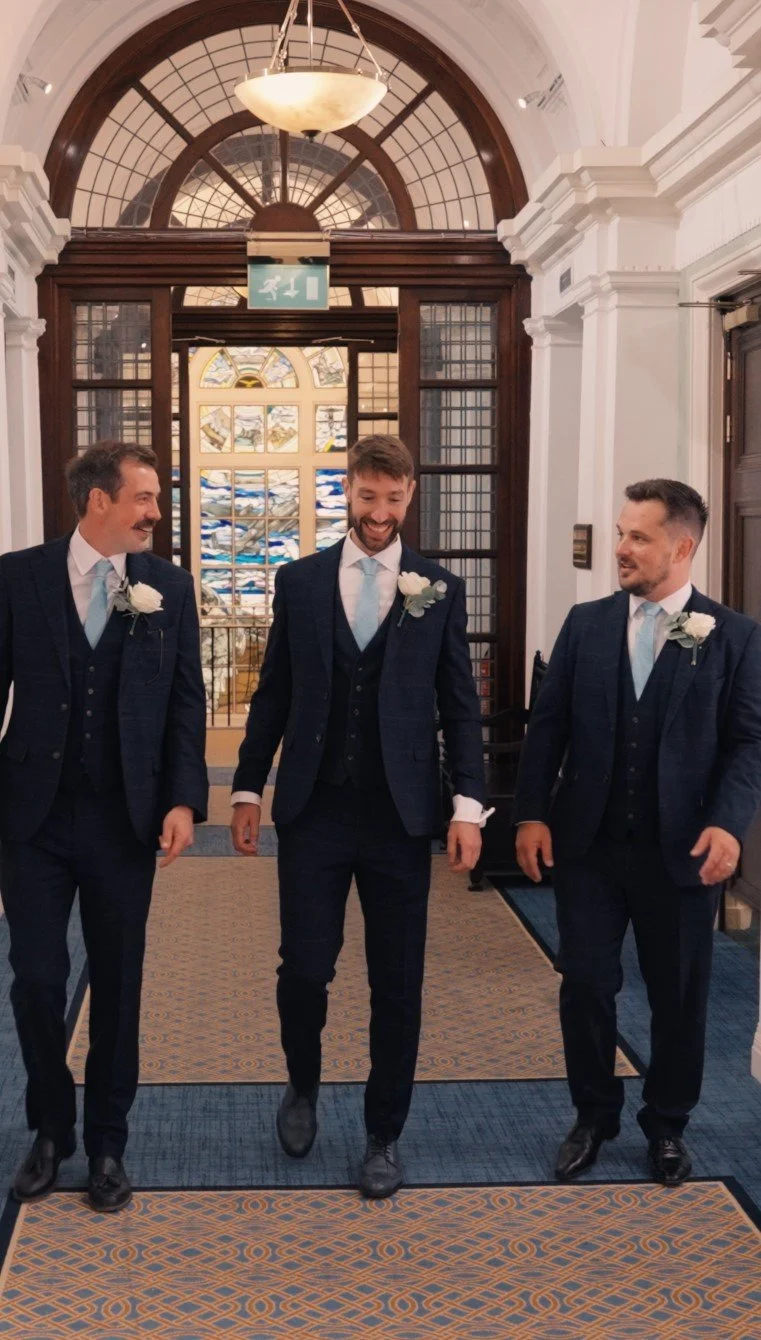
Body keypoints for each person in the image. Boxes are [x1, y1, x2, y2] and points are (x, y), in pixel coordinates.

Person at [231, 434, 488, 1198]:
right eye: (367, 497)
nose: (379, 514)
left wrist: (468, 805)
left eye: (393, 499)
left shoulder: (437, 587)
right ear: (348, 491)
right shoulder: (301, 582)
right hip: (313, 810)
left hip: (400, 819)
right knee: (304, 970)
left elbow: (460, 709)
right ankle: (302, 1084)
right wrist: (247, 789)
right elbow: (274, 691)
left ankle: (384, 1134)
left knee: (397, 983)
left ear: (410, 496)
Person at [514, 479, 761, 1186]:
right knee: (585, 984)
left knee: (677, 993)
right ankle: (593, 1115)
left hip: (680, 851)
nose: (620, 548)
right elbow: (548, 727)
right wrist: (531, 813)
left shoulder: (734, 638)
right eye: (621, 533)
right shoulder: (585, 624)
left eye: (638, 536)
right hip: (588, 844)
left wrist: (726, 825)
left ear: (681, 547)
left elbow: (748, 743)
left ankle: (667, 1125)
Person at [0, 440, 208, 1212]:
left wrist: (184, 800)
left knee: (120, 982)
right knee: (36, 978)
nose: (156, 512)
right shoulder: (16, 577)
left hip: (125, 820)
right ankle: (50, 1131)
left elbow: (187, 702)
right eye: (145, 498)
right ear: (98, 501)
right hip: (33, 819)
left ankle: (109, 1144)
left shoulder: (168, 588)